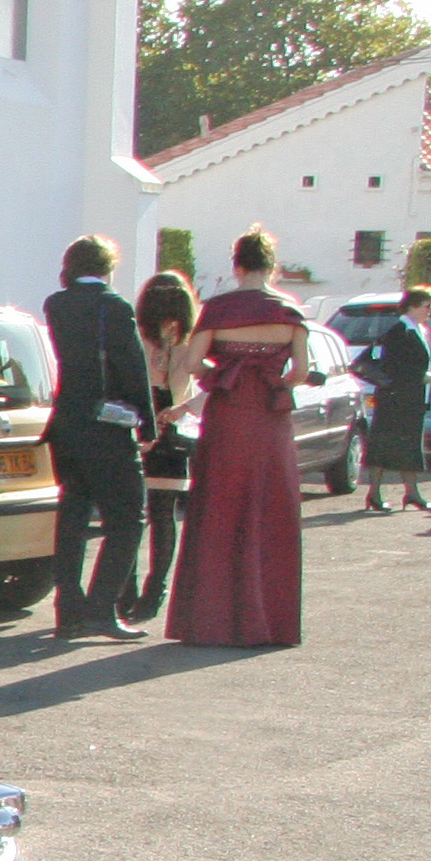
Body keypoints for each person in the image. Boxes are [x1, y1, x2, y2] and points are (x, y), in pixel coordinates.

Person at [164, 227, 308, 647]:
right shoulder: (290, 312)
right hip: (269, 418)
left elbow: (192, 364)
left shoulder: (219, 308)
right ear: (271, 266)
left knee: (219, 507)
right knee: (270, 507)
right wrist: (269, 378)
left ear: (237, 265)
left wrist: (226, 372)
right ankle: (270, 622)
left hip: (228, 416)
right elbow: (300, 372)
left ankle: (210, 621)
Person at [42, 234, 149, 637]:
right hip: (107, 427)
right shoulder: (115, 307)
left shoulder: (57, 305)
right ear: (108, 267)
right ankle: (101, 608)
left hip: (66, 424)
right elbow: (132, 369)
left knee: (73, 516)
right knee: (127, 519)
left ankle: (68, 609)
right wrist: (147, 423)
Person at [132, 272, 197, 616]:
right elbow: (209, 383)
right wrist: (183, 409)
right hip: (172, 422)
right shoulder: (190, 339)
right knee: (162, 513)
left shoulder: (138, 334)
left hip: (141, 421)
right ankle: (155, 590)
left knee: (133, 513)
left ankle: (128, 590)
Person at [355, 284, 431, 513]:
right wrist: (422, 376)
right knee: (383, 446)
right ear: (412, 306)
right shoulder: (399, 331)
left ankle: (412, 493)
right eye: (427, 306)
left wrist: (426, 377)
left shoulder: (420, 330)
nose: (430, 311)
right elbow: (392, 366)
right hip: (394, 399)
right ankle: (375, 494)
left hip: (414, 399)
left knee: (410, 447)